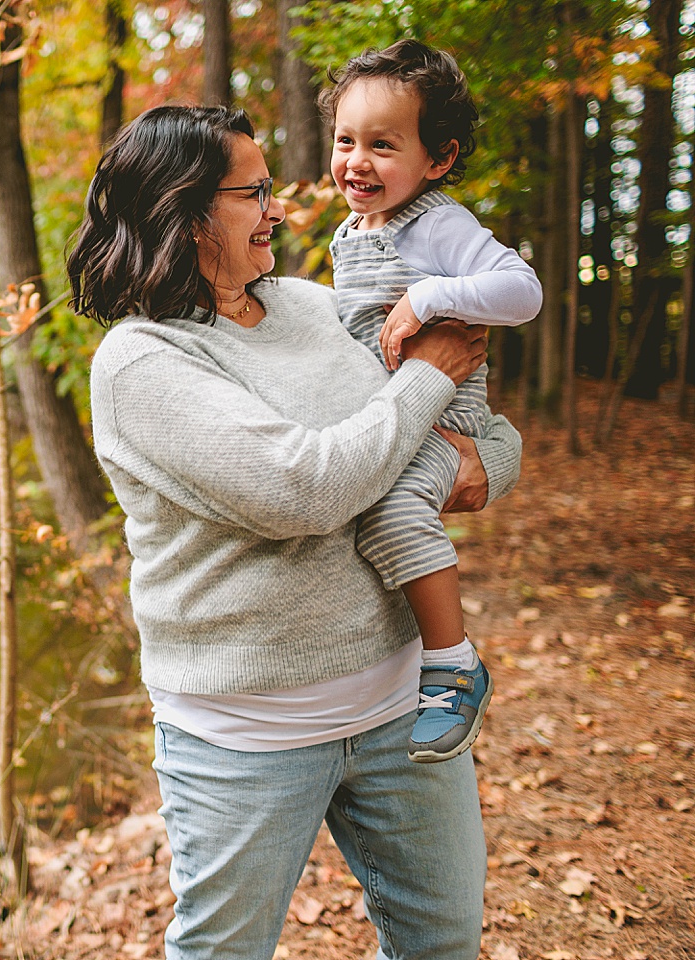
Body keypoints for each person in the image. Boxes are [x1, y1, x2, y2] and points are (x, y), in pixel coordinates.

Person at [67, 104, 521, 960]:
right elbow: (303, 487)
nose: (280, 210)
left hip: (401, 706)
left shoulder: (310, 308)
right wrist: (423, 379)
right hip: (247, 733)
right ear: (184, 209)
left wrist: (489, 464)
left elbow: (466, 419)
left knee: (443, 938)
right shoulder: (143, 361)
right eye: (256, 193)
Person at [322, 39, 542, 763]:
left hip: (445, 424)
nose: (357, 161)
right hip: (392, 421)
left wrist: (430, 293)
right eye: (346, 140)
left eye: (383, 145)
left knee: (388, 511)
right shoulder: (348, 234)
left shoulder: (437, 224)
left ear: (438, 159)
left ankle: (452, 665)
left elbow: (523, 292)